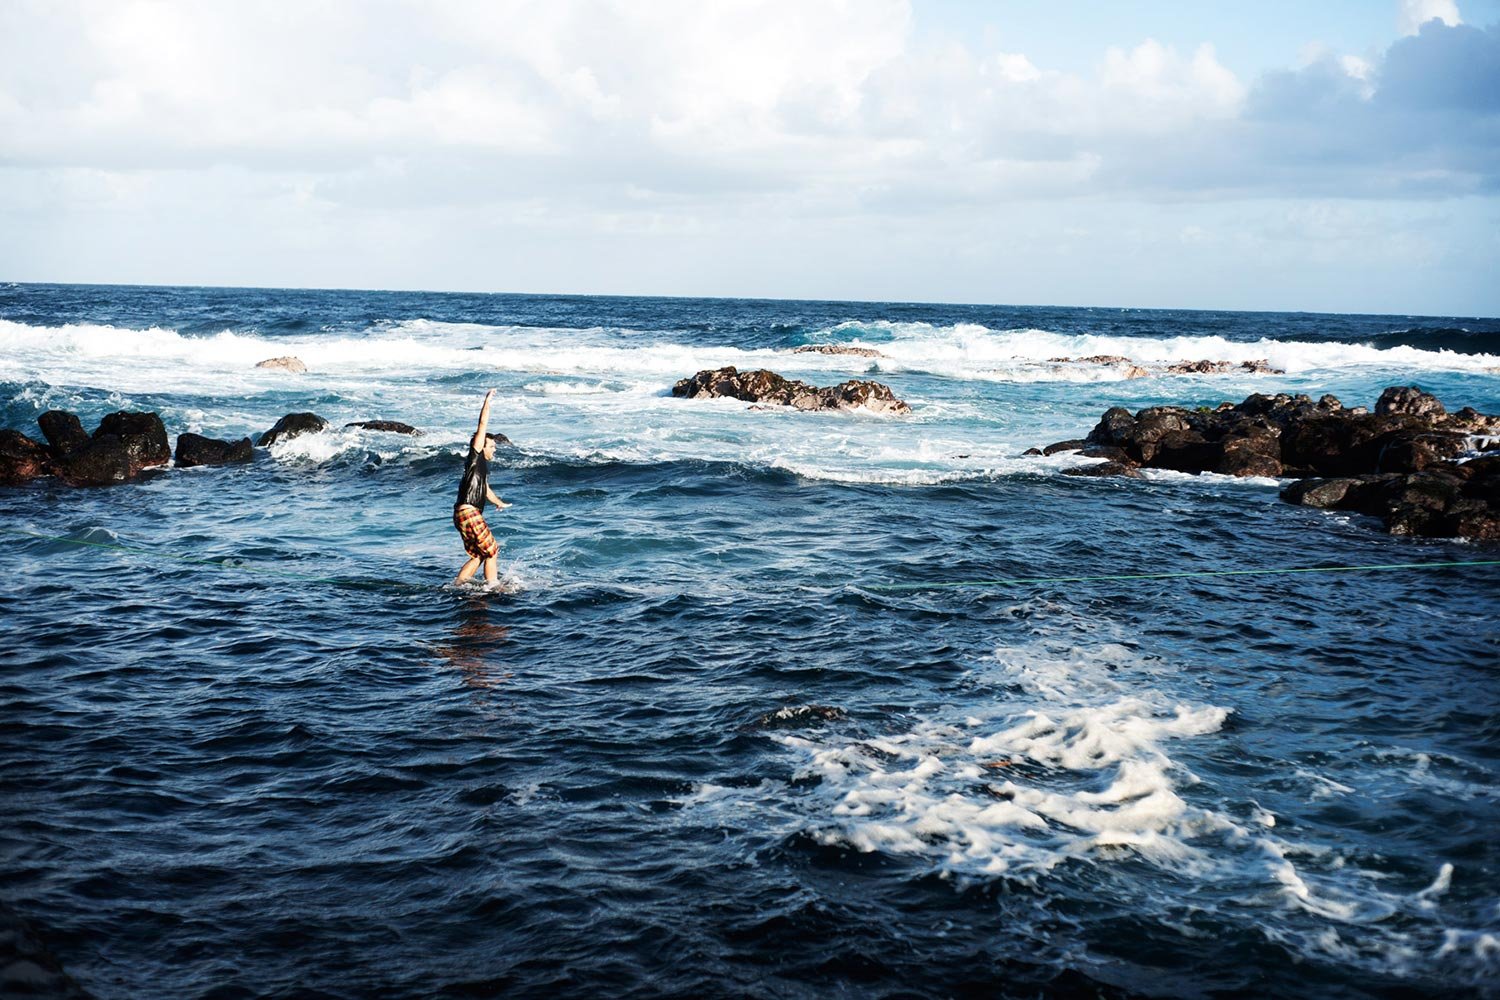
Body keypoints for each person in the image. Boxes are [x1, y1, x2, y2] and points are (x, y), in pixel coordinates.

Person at [453, 388, 512, 587]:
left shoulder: (479, 468)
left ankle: (458, 584)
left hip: (462, 513)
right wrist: (488, 401)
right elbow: (482, 424)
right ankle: (492, 586)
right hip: (469, 512)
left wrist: (499, 503)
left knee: (479, 554)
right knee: (492, 550)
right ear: (481, 446)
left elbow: (485, 490)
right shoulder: (475, 456)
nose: (494, 450)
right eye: (492, 446)